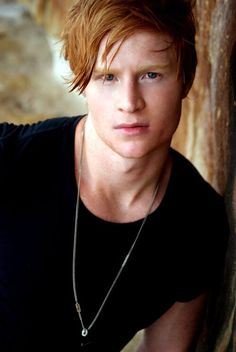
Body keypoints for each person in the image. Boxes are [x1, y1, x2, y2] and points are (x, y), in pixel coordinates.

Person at [0, 0, 229, 351]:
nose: (130, 102)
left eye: (151, 75)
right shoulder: (12, 161)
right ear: (82, 81)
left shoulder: (199, 223)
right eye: (108, 77)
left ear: (186, 79)